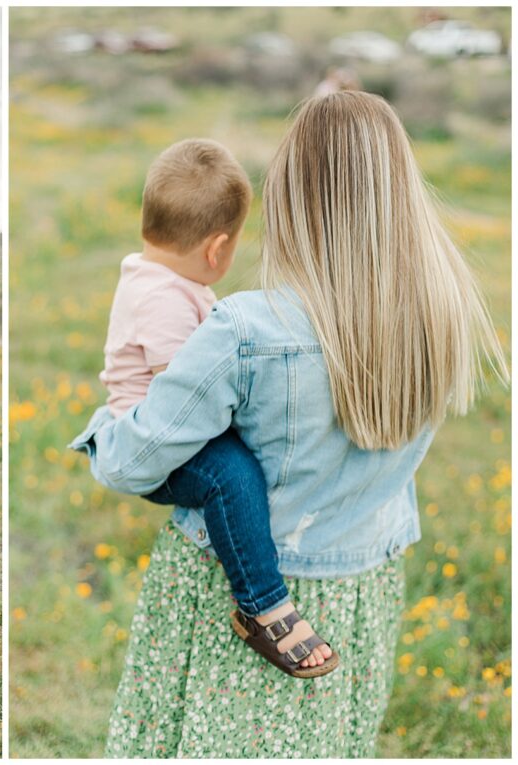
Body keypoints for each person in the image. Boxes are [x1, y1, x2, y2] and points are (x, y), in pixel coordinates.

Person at [72, 91, 506, 757]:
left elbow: (137, 461)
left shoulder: (247, 329)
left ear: (295, 197)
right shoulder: (442, 313)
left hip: (240, 596)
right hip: (364, 589)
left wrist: (105, 427)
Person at [77, 138, 334, 676]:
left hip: (174, 427)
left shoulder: (162, 278)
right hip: (153, 437)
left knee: (236, 463)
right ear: (217, 250)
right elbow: (184, 397)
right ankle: (263, 604)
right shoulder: (163, 299)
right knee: (229, 474)